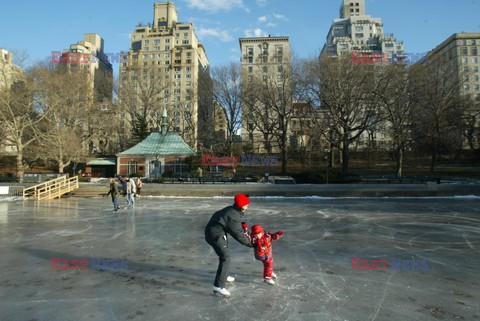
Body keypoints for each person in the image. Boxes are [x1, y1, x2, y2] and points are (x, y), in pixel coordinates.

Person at [205, 194, 253, 297]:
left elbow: (233, 223)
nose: (247, 207)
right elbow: (239, 235)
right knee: (225, 257)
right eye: (246, 205)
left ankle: (223, 275)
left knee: (224, 255)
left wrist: (241, 224)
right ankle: (218, 287)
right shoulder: (233, 215)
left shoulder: (232, 210)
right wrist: (252, 244)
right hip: (215, 235)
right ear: (241, 206)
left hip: (216, 232)